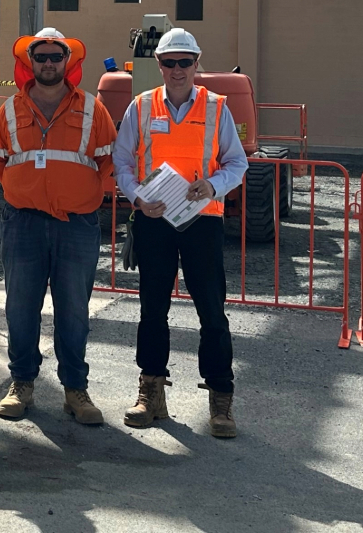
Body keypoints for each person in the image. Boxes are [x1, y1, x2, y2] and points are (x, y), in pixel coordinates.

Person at [112, 27, 248, 438]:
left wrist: (212, 186)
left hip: (201, 220)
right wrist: (137, 197)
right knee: (153, 308)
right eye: (169, 62)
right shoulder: (140, 106)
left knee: (211, 310)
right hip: (155, 220)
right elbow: (122, 163)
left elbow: (236, 163)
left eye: (184, 62)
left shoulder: (216, 107)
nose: (176, 70)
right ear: (159, 65)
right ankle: (150, 392)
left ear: (195, 63)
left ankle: (221, 399)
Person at [0, 27, 117, 425]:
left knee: (74, 310)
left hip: (76, 225)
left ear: (68, 62)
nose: (47, 63)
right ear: (29, 63)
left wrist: (75, 194)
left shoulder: (94, 110)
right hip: (23, 223)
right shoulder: (9, 111)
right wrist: (25, 191)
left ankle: (75, 389)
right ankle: (22, 383)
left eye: (54, 57)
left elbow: (108, 162)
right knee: (20, 307)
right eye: (39, 57)